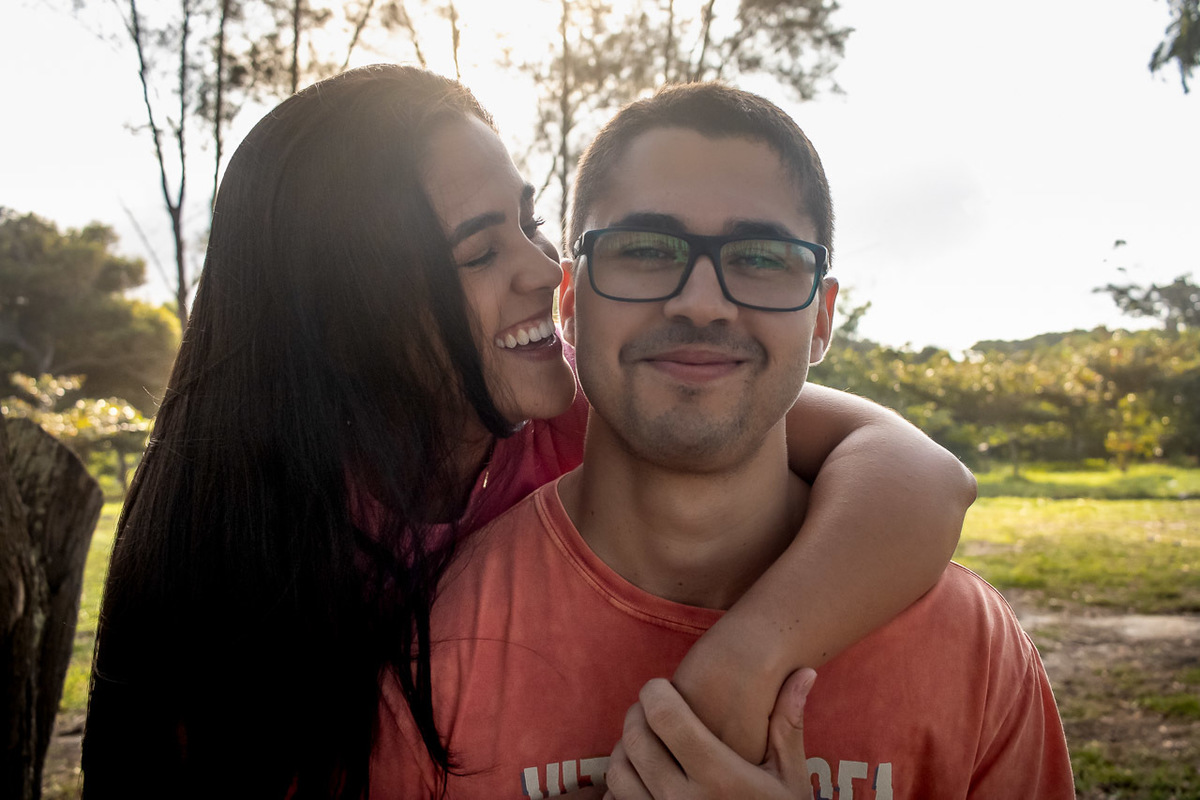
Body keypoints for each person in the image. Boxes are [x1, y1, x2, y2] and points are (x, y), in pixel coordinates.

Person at [81, 65, 974, 799]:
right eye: (479, 252)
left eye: (531, 221)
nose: (545, 268)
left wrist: (739, 666)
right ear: (352, 316)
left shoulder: (583, 418)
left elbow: (918, 474)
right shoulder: (246, 553)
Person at [370, 81, 1074, 798]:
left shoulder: (968, 648)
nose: (702, 303)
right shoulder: (431, 651)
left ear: (822, 317)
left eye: (762, 259)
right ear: (570, 301)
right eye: (644, 249)